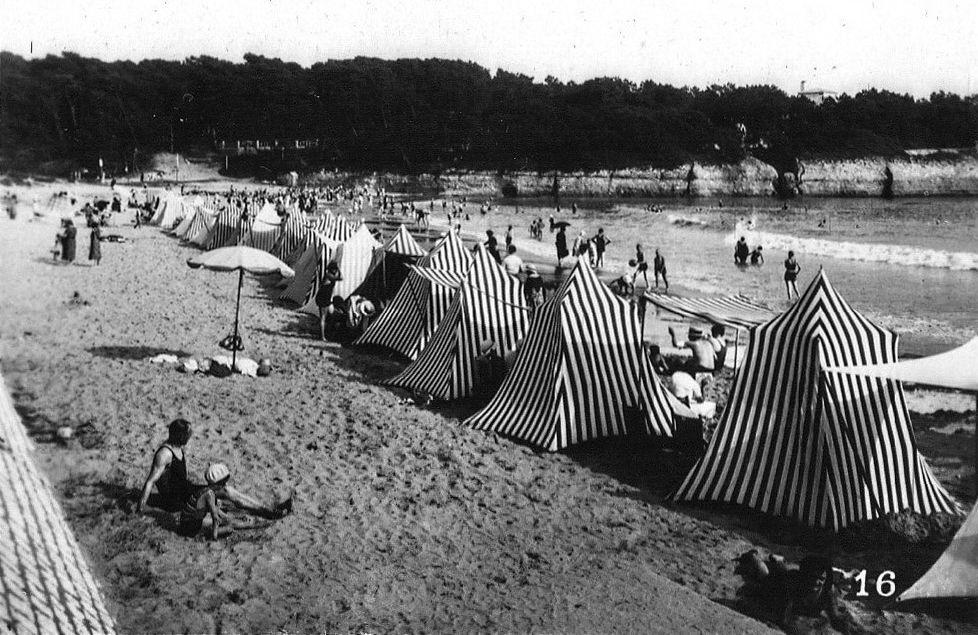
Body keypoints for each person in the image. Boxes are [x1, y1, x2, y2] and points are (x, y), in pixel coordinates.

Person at [137, 419, 291, 526]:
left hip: (185, 491)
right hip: (177, 500)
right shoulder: (164, 454)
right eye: (188, 435)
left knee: (226, 492)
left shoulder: (178, 447)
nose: (190, 437)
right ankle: (268, 514)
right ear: (180, 435)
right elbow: (150, 481)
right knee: (222, 501)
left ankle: (269, 510)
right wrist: (141, 508)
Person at [316, 262, 344, 341]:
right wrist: (339, 269)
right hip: (323, 297)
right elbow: (341, 278)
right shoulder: (329, 275)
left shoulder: (329, 275)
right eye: (335, 269)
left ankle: (326, 332)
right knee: (323, 317)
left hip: (326, 297)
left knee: (331, 314)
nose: (335, 270)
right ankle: (322, 337)